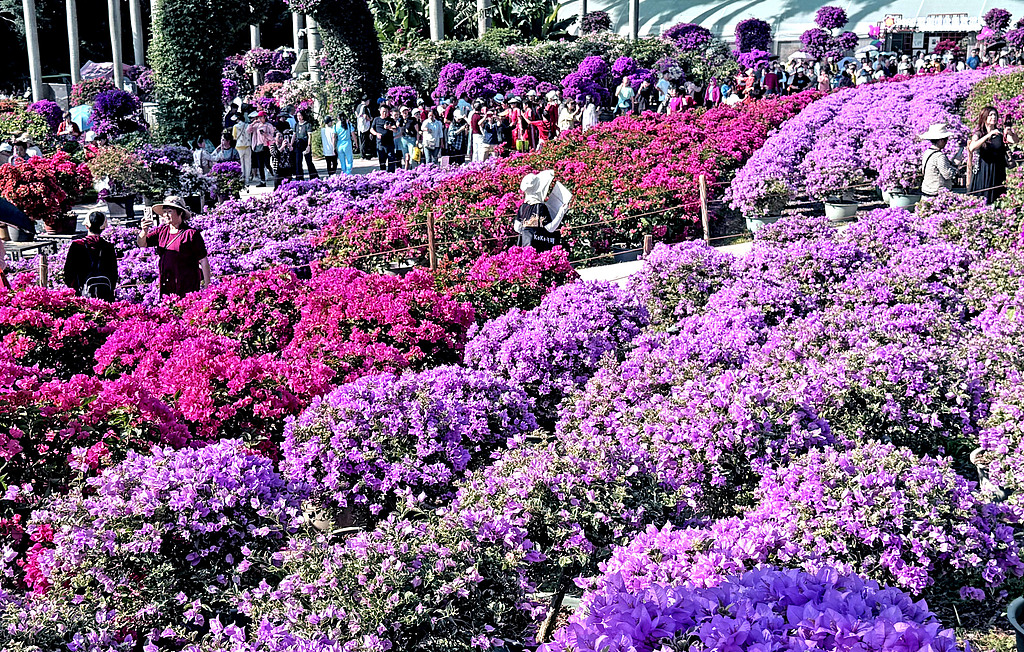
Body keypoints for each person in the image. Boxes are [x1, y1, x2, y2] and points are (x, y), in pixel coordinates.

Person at [137, 196, 211, 298]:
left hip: (187, 286)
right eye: (164, 211)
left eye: (169, 211)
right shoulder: (161, 231)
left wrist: (208, 286)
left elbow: (203, 260)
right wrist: (144, 231)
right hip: (167, 284)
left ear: (180, 213)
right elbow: (142, 243)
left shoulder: (191, 234)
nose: (165, 215)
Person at [63, 211, 118, 300]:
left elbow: (69, 272)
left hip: (83, 295)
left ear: (86, 226)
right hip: (105, 295)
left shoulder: (77, 245)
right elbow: (113, 274)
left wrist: (75, 291)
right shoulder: (108, 246)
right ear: (103, 227)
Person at [969, 106, 1016, 204]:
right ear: (984, 117)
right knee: (983, 198)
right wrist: (988, 135)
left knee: (997, 196)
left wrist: (1010, 132)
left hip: (998, 169)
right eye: (990, 115)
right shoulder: (979, 133)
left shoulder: (1000, 133)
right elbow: (972, 147)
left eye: (995, 115)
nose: (993, 117)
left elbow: (1014, 140)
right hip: (984, 169)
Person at [514, 170, 565, 252]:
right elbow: (550, 228)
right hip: (539, 249)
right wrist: (561, 211)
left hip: (525, 249)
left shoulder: (523, 207)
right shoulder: (540, 207)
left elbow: (517, 228)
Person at [919, 123, 959, 197]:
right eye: (945, 139)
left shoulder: (927, 152)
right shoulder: (939, 156)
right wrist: (956, 166)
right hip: (936, 193)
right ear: (940, 140)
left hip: (927, 190)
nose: (946, 142)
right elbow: (947, 175)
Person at [247, 111, 276, 188]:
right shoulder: (256, 125)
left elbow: (272, 138)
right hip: (258, 146)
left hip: (266, 146)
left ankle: (273, 173)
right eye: (259, 117)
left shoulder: (269, 126)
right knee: (260, 165)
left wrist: (266, 135)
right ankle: (262, 180)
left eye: (262, 117)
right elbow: (248, 131)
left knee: (267, 163)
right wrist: (253, 123)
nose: (260, 119)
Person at [371, 104, 399, 171]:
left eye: (386, 111)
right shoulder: (376, 119)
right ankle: (383, 174)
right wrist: (376, 134)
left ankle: (391, 174)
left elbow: (395, 130)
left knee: (391, 160)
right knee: (382, 161)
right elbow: (371, 129)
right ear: (380, 111)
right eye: (383, 111)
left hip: (390, 143)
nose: (385, 113)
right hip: (380, 143)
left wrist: (390, 128)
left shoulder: (390, 120)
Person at [292, 109, 318, 180]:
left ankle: (314, 177)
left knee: (309, 161)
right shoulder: (296, 125)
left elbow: (309, 136)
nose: (299, 117)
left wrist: (309, 146)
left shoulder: (307, 124)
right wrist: (291, 145)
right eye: (297, 116)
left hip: (305, 143)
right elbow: (294, 135)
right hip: (298, 144)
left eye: (300, 115)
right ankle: (299, 178)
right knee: (298, 162)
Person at [232, 112, 254, 185]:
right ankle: (247, 179)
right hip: (248, 145)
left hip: (239, 146)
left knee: (241, 163)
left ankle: (242, 177)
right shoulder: (248, 125)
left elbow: (234, 137)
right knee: (248, 163)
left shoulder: (235, 126)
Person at [356, 96, 375, 160]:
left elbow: (356, 113)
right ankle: (363, 155)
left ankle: (362, 154)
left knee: (361, 140)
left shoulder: (358, 106)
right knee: (364, 140)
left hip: (359, 125)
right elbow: (365, 115)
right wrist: (370, 119)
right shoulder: (364, 107)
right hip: (364, 126)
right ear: (366, 101)